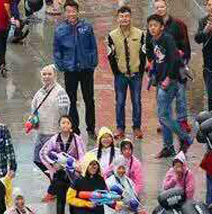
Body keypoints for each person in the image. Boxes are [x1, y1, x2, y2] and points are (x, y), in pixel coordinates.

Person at [148, 14, 193, 159]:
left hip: (171, 81)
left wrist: (168, 77)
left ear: (161, 27)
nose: (152, 28)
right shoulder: (153, 40)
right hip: (161, 80)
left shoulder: (167, 38)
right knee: (164, 115)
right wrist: (151, 65)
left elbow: (174, 59)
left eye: (155, 25)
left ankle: (185, 137)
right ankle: (168, 147)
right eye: (150, 26)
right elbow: (156, 57)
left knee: (163, 115)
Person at [53, 0, 98, 137]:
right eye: (68, 11)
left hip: (86, 69)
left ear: (78, 11)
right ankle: (75, 128)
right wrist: (61, 65)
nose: (71, 14)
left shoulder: (87, 27)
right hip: (70, 70)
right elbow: (57, 50)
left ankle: (91, 128)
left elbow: (93, 46)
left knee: (89, 99)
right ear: (65, 12)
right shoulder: (60, 29)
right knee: (71, 100)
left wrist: (92, 62)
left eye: (73, 11)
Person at [106, 5, 145, 140]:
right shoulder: (112, 35)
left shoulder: (140, 34)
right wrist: (116, 73)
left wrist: (140, 72)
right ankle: (120, 127)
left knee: (136, 101)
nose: (124, 19)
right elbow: (110, 56)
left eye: (127, 16)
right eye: (122, 16)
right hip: (120, 75)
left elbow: (143, 54)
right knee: (120, 101)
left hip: (136, 75)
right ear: (118, 18)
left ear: (131, 17)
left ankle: (137, 127)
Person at [30, 65, 71, 175]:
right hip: (41, 133)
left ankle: (55, 181)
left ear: (55, 76)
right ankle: (53, 178)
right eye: (44, 74)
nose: (46, 77)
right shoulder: (39, 92)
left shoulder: (60, 92)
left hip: (53, 134)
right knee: (37, 159)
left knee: (53, 162)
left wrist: (63, 132)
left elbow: (65, 115)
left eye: (49, 74)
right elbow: (34, 111)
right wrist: (33, 121)